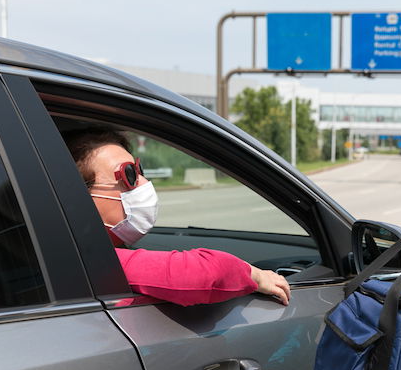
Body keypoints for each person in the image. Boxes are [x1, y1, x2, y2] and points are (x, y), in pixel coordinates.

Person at [64, 127, 291, 307]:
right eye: (129, 174)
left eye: (139, 170)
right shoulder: (87, 262)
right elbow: (199, 276)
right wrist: (255, 275)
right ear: (80, 197)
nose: (144, 184)